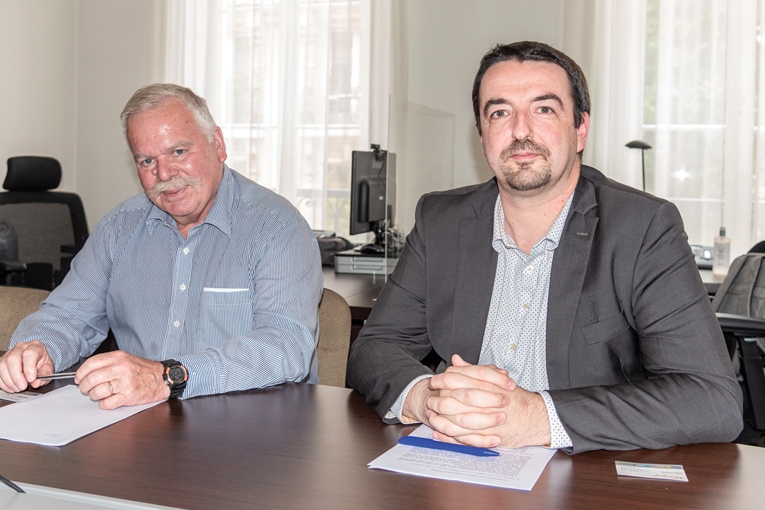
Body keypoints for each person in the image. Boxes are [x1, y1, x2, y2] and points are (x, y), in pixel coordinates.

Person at [346, 41, 743, 453]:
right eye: (500, 112)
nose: (520, 131)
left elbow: (712, 398)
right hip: (455, 459)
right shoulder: (441, 220)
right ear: (482, 135)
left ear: (580, 129)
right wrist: (428, 399)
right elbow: (375, 348)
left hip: (588, 474)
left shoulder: (642, 227)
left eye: (544, 109)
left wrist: (539, 418)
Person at [0, 83, 323, 409]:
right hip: (139, 424)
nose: (164, 173)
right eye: (146, 161)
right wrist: (37, 347)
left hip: (253, 431)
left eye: (178, 152)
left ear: (218, 145)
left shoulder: (277, 227)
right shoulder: (119, 227)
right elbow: (67, 315)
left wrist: (169, 377)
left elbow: (284, 346)